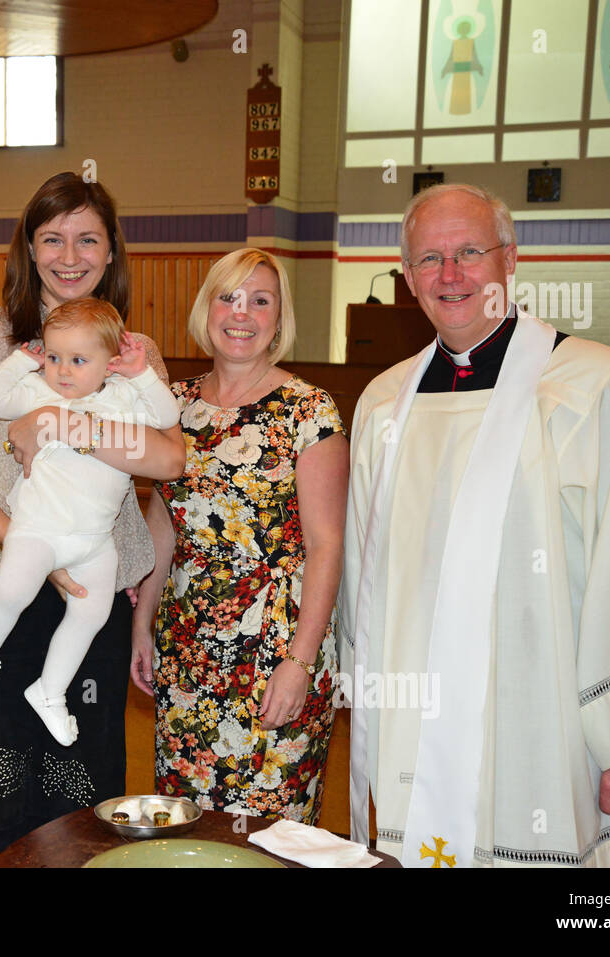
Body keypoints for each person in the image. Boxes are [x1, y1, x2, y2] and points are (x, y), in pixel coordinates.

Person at [339, 183, 610, 868]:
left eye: (469, 251)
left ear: (511, 259)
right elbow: (364, 578)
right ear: (407, 280)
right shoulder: (384, 405)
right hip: (419, 724)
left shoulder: (595, 385)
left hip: (550, 721)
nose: (451, 275)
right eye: (429, 259)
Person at [0, 172, 184, 866]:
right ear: (29, 250)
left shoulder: (131, 350)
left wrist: (64, 426)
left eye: (88, 238)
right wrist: (31, 551)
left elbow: (166, 459)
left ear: (111, 251)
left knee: (80, 792)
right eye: (53, 238)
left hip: (93, 591)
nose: (71, 254)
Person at [129, 248, 348, 822]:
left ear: (279, 317)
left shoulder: (309, 412)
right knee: (188, 825)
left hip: (277, 648)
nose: (241, 313)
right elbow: (165, 520)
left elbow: (328, 546)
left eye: (260, 300)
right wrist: (142, 621)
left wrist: (300, 662)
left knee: (271, 834)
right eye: (228, 297)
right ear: (207, 308)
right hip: (189, 647)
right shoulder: (172, 405)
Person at [0, 298, 180, 746]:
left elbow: (168, 419)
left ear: (110, 364)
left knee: (91, 615)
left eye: (78, 360)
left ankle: (50, 691)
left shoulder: (125, 396)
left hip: (95, 542)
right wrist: (18, 362)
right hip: (37, 532)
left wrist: (142, 374)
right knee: (10, 592)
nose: (63, 370)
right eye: (53, 356)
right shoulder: (37, 389)